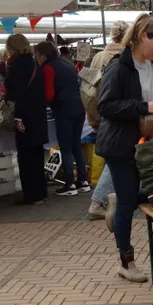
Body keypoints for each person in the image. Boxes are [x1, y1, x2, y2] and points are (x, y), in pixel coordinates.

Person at [96, 14, 153, 283]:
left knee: (147, 191)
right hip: (121, 146)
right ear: (143, 36)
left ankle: (121, 199)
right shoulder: (119, 66)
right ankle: (126, 261)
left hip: (148, 144)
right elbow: (105, 105)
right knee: (127, 202)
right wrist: (141, 107)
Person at [36, 41, 90, 196]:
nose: (37, 59)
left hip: (63, 110)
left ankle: (69, 184)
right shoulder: (67, 64)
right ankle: (83, 180)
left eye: (38, 56)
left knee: (65, 148)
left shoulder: (48, 68)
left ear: (43, 55)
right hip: (79, 108)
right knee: (76, 145)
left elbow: (48, 94)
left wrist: (44, 103)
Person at [87, 21, 129, 222]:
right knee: (116, 158)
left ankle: (113, 198)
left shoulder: (98, 57)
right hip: (118, 112)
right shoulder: (126, 56)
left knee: (114, 156)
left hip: (100, 112)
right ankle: (99, 200)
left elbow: (90, 91)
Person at [5, 34, 49, 206]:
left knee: (26, 157)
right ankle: (41, 191)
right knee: (37, 155)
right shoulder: (34, 63)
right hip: (38, 113)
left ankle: (31, 194)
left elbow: (17, 93)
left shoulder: (16, 65)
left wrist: (18, 117)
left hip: (25, 114)